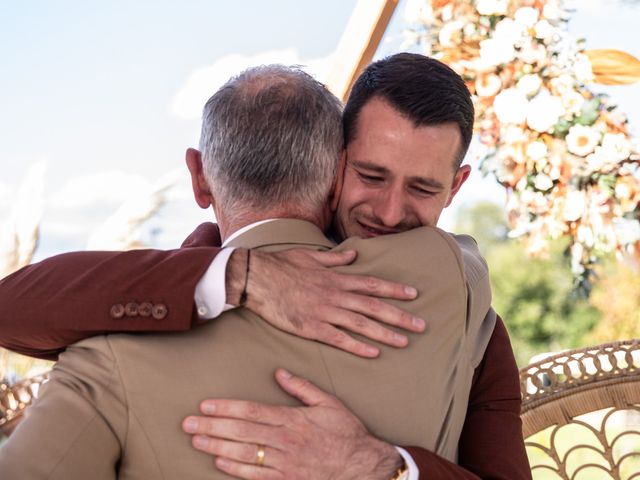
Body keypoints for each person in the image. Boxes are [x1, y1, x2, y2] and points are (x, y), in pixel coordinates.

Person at [0, 54, 531, 479]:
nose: (390, 213)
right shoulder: (196, 267)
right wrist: (241, 275)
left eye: (422, 188)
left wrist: (386, 466)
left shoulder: (461, 304)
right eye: (371, 176)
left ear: (455, 187)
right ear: (335, 164)